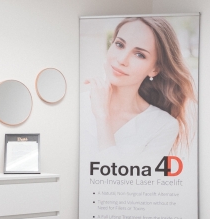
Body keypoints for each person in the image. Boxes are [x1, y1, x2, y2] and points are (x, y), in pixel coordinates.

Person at [81, 17, 196, 163]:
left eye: (139, 55)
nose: (122, 60)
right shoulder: (77, 105)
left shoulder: (162, 125)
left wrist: (102, 117)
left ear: (155, 69)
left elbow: (116, 177)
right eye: (119, 44)